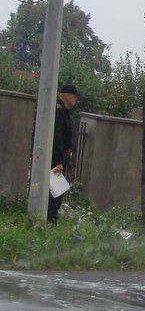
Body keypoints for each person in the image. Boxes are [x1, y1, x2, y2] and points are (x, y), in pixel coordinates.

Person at [48, 84, 79, 223]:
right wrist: (58, 161)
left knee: (57, 191)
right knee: (55, 191)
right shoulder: (58, 110)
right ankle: (50, 218)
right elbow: (57, 137)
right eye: (74, 96)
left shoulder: (64, 111)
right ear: (66, 95)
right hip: (56, 159)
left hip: (61, 157)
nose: (76, 99)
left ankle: (52, 217)